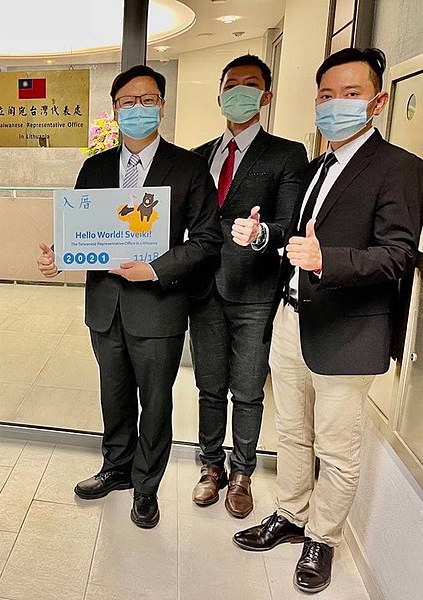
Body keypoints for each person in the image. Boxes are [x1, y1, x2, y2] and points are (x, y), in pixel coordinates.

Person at [233, 48, 423, 594]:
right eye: (326, 95)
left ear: (377, 102)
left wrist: (328, 261)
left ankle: (323, 538)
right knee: (292, 433)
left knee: (336, 450)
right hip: (291, 319)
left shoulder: (400, 168)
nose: (335, 105)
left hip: (349, 330)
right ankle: (291, 515)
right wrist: (264, 235)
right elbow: (298, 239)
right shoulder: (317, 167)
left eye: (350, 94)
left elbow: (398, 255)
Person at [37, 65, 222, 529]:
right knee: (114, 395)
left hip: (158, 308)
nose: (137, 109)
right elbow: (81, 229)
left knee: (155, 402)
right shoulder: (96, 167)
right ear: (115, 109)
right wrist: (59, 254)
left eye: (147, 100)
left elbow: (206, 240)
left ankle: (146, 485)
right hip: (105, 306)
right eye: (127, 102)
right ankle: (116, 468)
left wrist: (156, 269)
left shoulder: (189, 167)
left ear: (162, 105)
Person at [188, 55, 308, 518]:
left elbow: (288, 223)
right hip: (203, 289)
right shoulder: (198, 156)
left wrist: (262, 235)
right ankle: (210, 467)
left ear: (266, 95)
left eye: (250, 84)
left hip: (254, 292)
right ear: (219, 95)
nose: (239, 92)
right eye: (231, 84)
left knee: (248, 389)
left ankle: (242, 473)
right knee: (209, 385)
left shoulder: (286, 153)